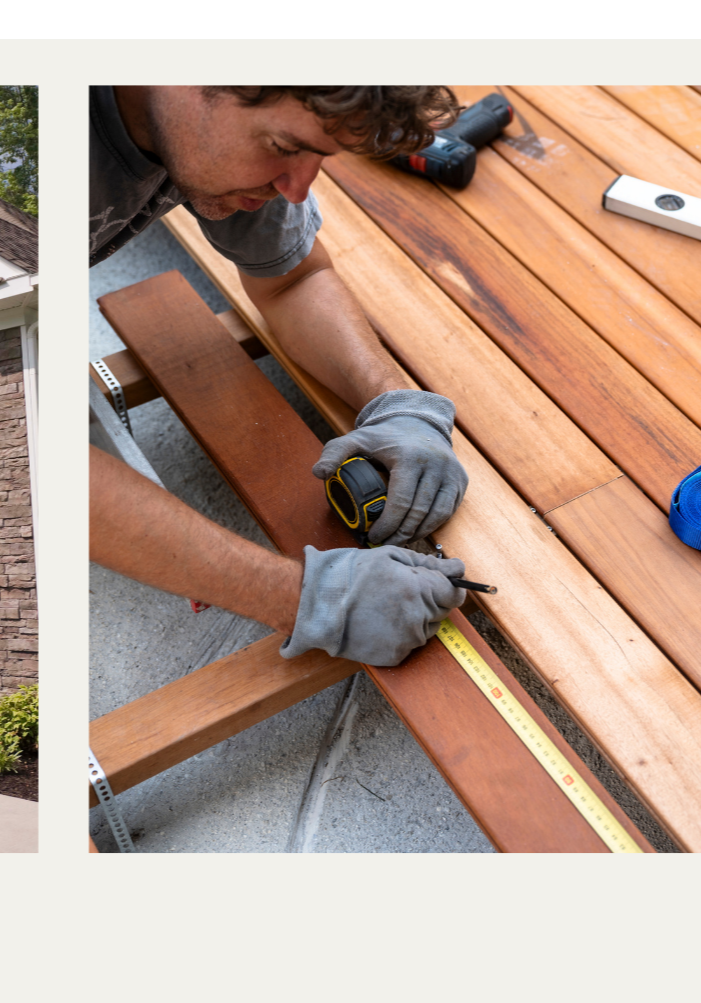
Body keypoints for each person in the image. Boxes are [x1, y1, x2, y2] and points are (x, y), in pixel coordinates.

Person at [90, 86, 471, 666]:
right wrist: (301, 597)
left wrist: (398, 404)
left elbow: (293, 281)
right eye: (283, 146)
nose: (297, 188)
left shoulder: (219, 131)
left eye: (319, 157)